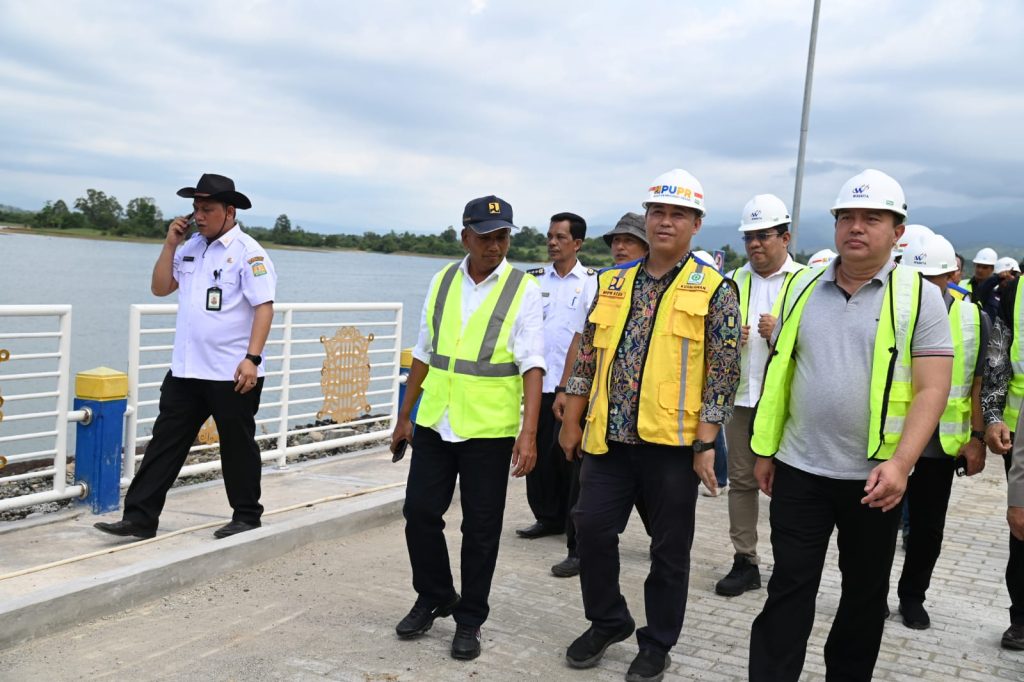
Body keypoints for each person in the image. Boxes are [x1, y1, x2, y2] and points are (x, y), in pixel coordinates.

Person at [748, 169, 953, 682]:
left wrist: (902, 464)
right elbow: (783, 371)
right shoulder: (800, 286)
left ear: (897, 230)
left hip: (874, 481)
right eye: (846, 218)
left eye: (871, 218)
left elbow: (932, 387)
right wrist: (766, 449)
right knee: (789, 588)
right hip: (799, 469)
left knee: (863, 597)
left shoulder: (919, 296)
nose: (855, 228)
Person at [559, 169, 740, 682]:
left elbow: (724, 373)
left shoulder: (715, 289)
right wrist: (570, 421)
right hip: (607, 441)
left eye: (677, 214)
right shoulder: (611, 283)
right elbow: (587, 359)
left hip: (673, 446)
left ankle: (657, 642)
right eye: (658, 212)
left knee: (669, 550)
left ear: (696, 224)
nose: (665, 222)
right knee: (590, 528)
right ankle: (608, 619)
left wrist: (707, 443)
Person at [390, 195, 545, 661]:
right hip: (437, 420)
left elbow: (533, 365)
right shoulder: (442, 281)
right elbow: (424, 351)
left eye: (502, 236)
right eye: (485, 236)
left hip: (490, 430)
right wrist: (404, 415)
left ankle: (470, 618)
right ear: (465, 236)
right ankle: (435, 593)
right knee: (418, 513)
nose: (494, 246)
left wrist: (529, 432)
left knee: (481, 529)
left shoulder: (524, 288)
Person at [94, 173, 276, 540]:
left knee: (236, 444)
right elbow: (160, 288)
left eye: (207, 209)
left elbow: (264, 308)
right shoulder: (190, 247)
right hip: (187, 370)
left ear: (229, 210)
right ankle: (140, 519)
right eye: (196, 208)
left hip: (231, 371)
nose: (199, 215)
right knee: (164, 442)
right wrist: (169, 245)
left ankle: (246, 515)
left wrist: (251, 359)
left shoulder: (249, 253)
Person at [894, 233, 989, 629]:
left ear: (952, 275)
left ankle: (912, 597)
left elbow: (979, 382)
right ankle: (867, 593)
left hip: (939, 446)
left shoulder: (973, 317)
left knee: (927, 530)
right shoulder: (891, 309)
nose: (925, 287)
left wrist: (977, 439)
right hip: (888, 441)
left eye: (934, 278)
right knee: (875, 528)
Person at [550, 212, 649, 579]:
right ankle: (578, 551)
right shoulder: (602, 284)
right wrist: (566, 391)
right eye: (615, 241)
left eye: (629, 241)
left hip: (648, 415)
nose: (620, 247)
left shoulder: (666, 289)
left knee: (648, 489)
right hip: (598, 406)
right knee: (586, 481)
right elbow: (581, 341)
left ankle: (662, 538)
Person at [715, 194, 804, 597]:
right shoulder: (734, 280)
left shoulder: (806, 282)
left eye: (764, 235)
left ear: (785, 237)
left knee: (791, 485)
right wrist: (731, 339)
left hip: (788, 403)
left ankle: (791, 563)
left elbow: (820, 343)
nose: (755, 244)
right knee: (741, 481)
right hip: (742, 398)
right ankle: (745, 560)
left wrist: (781, 331)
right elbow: (712, 339)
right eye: (749, 236)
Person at [517, 212, 597, 540]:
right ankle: (545, 518)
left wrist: (572, 386)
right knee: (538, 455)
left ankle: (570, 521)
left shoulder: (592, 281)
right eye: (550, 236)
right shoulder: (533, 280)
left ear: (577, 243)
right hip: (540, 382)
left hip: (574, 387)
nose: (552, 243)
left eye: (561, 237)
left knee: (569, 455)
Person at [981, 273, 1024, 650]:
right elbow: (999, 356)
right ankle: (1022, 619)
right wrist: (993, 415)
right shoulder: (1016, 290)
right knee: (1022, 526)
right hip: (1019, 428)